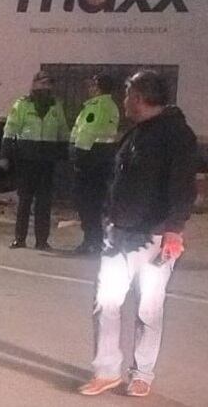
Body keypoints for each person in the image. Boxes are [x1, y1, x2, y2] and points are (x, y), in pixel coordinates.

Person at [79, 71, 198, 398]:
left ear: (140, 97)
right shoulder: (137, 133)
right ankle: (106, 371)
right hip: (119, 235)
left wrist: (174, 229)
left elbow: (183, 187)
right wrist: (108, 219)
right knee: (106, 302)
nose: (124, 101)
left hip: (155, 238)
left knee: (148, 309)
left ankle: (142, 373)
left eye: (128, 94)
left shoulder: (177, 135)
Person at [0, 71, 69, 250]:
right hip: (26, 158)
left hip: (47, 160)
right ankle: (20, 238)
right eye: (43, 83)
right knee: (24, 200)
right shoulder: (22, 105)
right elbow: (10, 130)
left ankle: (42, 241)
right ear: (35, 84)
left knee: (44, 202)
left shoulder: (56, 106)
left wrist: (65, 155)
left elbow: (62, 131)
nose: (47, 87)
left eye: (49, 84)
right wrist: (5, 156)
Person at [70, 74, 120, 255]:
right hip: (100, 159)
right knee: (93, 203)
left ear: (98, 88)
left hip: (91, 159)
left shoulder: (99, 106)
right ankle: (94, 240)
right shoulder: (108, 105)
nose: (89, 89)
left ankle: (93, 241)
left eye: (92, 86)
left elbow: (87, 133)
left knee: (88, 203)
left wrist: (77, 155)